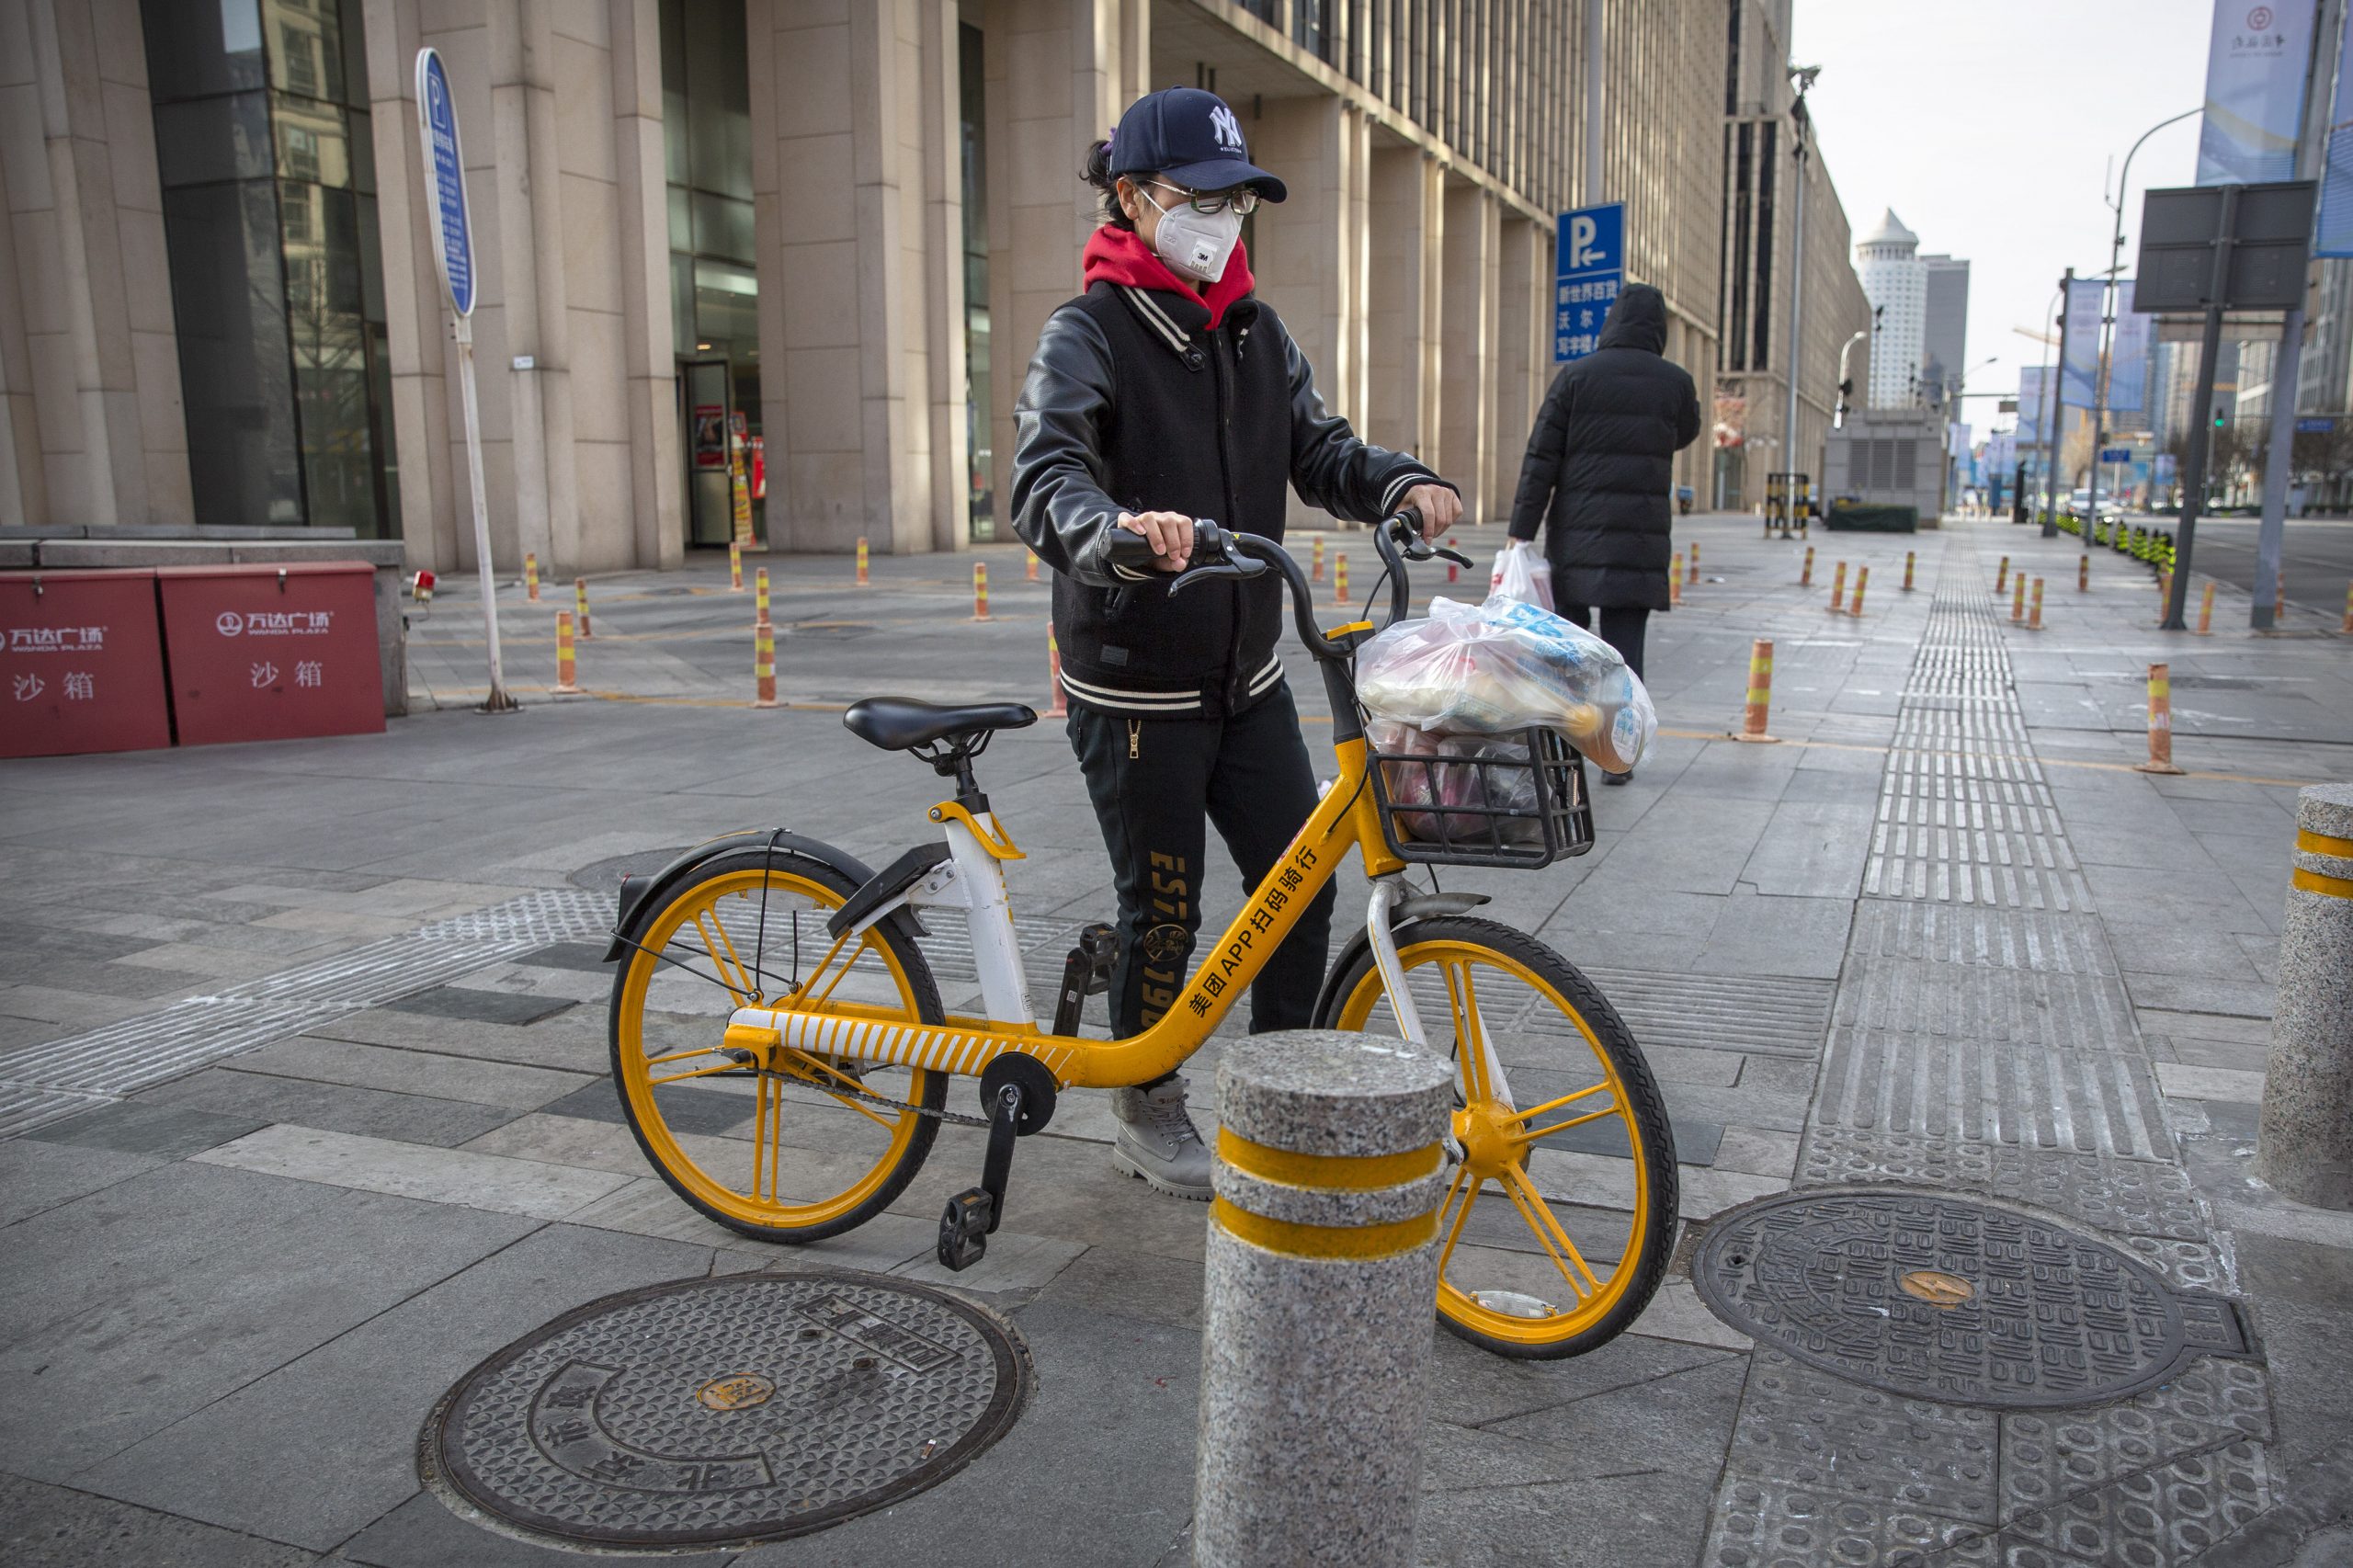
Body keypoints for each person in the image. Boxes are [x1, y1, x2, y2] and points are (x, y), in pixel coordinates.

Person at [1011, 86, 1460, 1199]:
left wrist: (1398, 481)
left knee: (1297, 888)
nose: (1220, 221)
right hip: (1137, 686)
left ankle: (1278, 1091)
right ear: (1132, 198)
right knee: (1163, 908)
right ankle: (1146, 1097)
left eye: (1236, 201)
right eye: (1198, 198)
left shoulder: (1257, 332)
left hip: (1248, 673)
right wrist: (1115, 532)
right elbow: (1046, 476)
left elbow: (1321, 450)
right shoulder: (1088, 333)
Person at [1506, 283, 1700, 784]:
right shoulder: (1675, 383)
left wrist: (1520, 531)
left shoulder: (1577, 376)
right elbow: (1687, 431)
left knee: (1569, 651)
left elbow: (1542, 456)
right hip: (1640, 541)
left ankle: (1565, 751)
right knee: (1625, 656)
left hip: (1578, 536)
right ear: (1658, 329)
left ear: (1612, 321)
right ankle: (1618, 759)